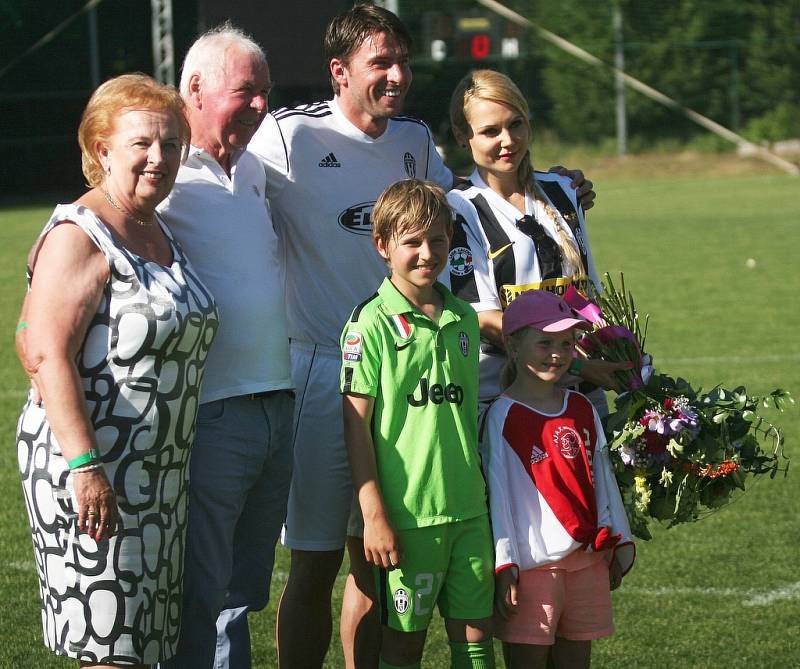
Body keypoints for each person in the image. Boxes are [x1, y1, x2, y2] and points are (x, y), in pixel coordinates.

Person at [247, 6, 595, 667]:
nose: (397, 75)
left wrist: (555, 185)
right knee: (315, 559)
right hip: (325, 371)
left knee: (376, 564)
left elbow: (466, 200)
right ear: (339, 70)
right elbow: (224, 178)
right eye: (380, 62)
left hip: (413, 372)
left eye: (402, 61)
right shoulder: (287, 138)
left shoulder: (412, 139)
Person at [15, 73, 219, 667]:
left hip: (156, 480)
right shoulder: (80, 234)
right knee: (112, 650)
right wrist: (85, 467)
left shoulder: (155, 227)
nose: (159, 158)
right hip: (95, 473)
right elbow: (41, 349)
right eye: (142, 144)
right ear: (101, 150)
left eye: (172, 145)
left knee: (144, 645)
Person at [157, 25, 294, 669]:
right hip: (211, 413)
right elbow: (91, 219)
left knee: (244, 589)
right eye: (247, 92)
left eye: (266, 93)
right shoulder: (162, 176)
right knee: (203, 590)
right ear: (195, 89)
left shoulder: (257, 172)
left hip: (277, 402)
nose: (261, 106)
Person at [341, 179, 495, 669]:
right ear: (382, 245)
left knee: (475, 640)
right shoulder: (370, 324)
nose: (427, 254)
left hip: (468, 509)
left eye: (437, 240)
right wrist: (374, 516)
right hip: (408, 518)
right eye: (412, 242)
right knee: (403, 646)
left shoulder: (464, 319)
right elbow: (354, 428)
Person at [445, 69, 627, 412]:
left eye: (515, 124)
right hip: (506, 398)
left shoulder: (563, 191)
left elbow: (587, 292)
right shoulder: (457, 209)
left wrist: (619, 352)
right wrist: (574, 363)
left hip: (582, 394)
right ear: (461, 135)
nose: (507, 140)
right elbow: (483, 318)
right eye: (489, 131)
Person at [481, 290, 635, 669]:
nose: (557, 353)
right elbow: (499, 498)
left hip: (588, 564)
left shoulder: (582, 407)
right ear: (513, 347)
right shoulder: (502, 415)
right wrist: (506, 566)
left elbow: (603, 480)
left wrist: (618, 538)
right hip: (534, 571)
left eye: (566, 343)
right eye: (544, 342)